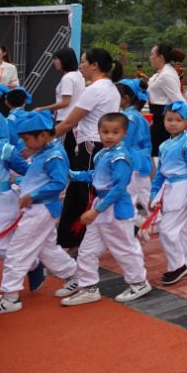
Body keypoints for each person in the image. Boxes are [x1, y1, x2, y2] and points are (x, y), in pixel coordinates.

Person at [0, 111, 78, 319]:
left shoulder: (54, 155)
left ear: (42, 136)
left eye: (27, 139)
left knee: (18, 251)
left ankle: (11, 297)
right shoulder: (43, 152)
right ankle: (78, 276)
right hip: (37, 208)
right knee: (47, 249)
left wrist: (33, 194)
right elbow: (33, 177)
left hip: (43, 208)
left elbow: (58, 183)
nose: (24, 143)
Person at [58, 112, 151, 306]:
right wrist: (73, 174)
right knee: (86, 250)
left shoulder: (121, 157)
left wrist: (96, 210)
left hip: (115, 210)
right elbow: (96, 175)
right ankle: (89, 287)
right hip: (100, 209)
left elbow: (118, 187)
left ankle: (139, 282)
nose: (109, 136)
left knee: (124, 248)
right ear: (98, 132)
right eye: (105, 132)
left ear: (123, 133)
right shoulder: (103, 153)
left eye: (115, 132)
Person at [53, 48, 124, 250]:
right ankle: (69, 240)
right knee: (77, 191)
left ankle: (85, 241)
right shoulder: (108, 87)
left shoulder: (94, 90)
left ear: (94, 65)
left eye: (84, 61)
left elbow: (68, 123)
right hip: (95, 146)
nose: (81, 65)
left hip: (92, 147)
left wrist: (43, 140)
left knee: (86, 195)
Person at [149, 100, 187, 286]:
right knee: (179, 230)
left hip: (182, 187)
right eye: (169, 119)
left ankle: (177, 265)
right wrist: (154, 192)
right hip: (169, 187)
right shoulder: (164, 145)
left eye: (178, 120)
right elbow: (160, 173)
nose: (172, 123)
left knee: (167, 230)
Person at [116, 79, 154, 222]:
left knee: (129, 193)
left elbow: (124, 142)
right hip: (141, 160)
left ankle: (130, 222)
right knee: (144, 192)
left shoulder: (128, 118)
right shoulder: (138, 117)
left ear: (125, 98)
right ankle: (156, 219)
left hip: (131, 160)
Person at [146, 44, 186, 155]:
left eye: (152, 54)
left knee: (157, 154)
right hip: (157, 117)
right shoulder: (161, 73)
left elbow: (179, 100)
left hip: (163, 119)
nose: (150, 57)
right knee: (154, 153)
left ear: (161, 57)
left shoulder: (166, 75)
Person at [35, 48, 84, 123]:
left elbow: (65, 102)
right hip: (75, 118)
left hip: (65, 119)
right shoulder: (78, 74)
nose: (54, 61)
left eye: (56, 59)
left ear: (64, 60)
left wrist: (42, 109)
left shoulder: (67, 78)